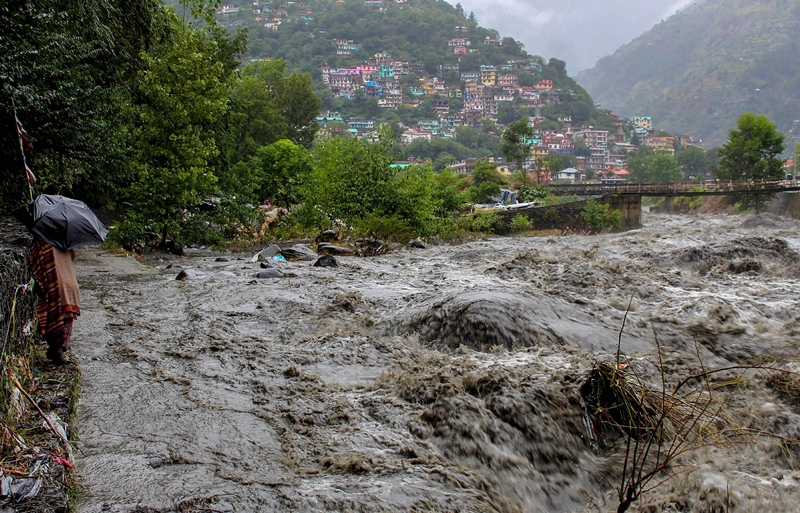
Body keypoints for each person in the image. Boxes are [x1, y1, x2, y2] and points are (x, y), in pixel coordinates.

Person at [30, 184, 80, 364]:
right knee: (64, 321)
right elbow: (72, 256)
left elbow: (35, 262)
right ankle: (57, 350)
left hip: (55, 285)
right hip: (69, 286)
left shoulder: (41, 240)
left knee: (54, 318)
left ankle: (55, 350)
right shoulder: (65, 237)